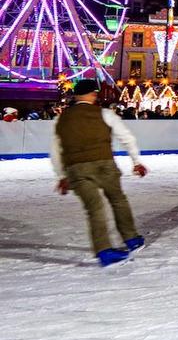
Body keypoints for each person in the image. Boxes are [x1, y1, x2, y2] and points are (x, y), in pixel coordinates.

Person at [50, 79, 148, 267]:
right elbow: (126, 137)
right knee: (117, 199)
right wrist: (136, 161)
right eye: (95, 93)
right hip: (103, 165)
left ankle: (104, 252)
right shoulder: (104, 114)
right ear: (92, 94)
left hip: (76, 169)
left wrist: (61, 175)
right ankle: (131, 238)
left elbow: (55, 150)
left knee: (94, 208)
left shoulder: (61, 119)